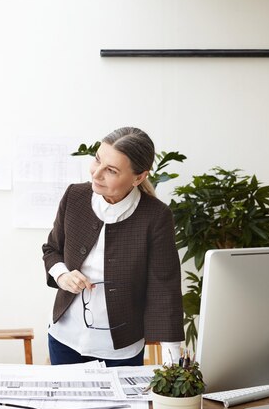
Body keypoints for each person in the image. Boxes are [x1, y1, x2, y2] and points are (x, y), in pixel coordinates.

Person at [42, 126, 184, 366]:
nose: (96, 174)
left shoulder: (155, 216)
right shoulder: (75, 196)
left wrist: (173, 364)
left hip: (120, 349)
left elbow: (165, 288)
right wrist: (62, 275)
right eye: (97, 160)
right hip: (64, 337)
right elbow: (52, 250)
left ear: (139, 177)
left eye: (111, 170)